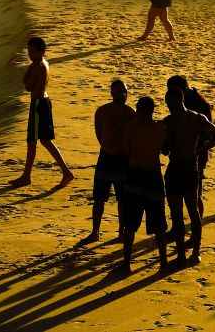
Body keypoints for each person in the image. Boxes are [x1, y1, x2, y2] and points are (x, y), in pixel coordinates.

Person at [162, 88, 215, 265]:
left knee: (180, 214)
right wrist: (199, 149)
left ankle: (186, 253)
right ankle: (193, 253)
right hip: (189, 167)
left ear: (176, 101)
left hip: (178, 168)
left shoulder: (169, 121)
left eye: (169, 103)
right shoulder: (196, 118)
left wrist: (198, 149)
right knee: (191, 212)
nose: (168, 106)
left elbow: (164, 149)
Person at [10, 37, 74, 188]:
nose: (30, 54)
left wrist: (28, 74)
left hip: (39, 104)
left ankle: (29, 176)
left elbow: (28, 86)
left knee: (34, 141)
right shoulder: (41, 63)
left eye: (32, 51)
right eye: (29, 51)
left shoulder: (38, 66)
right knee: (41, 141)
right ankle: (63, 172)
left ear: (41, 51)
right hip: (42, 102)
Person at [120, 96, 168, 273]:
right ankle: (163, 262)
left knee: (130, 223)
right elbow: (165, 149)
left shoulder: (131, 127)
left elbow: (126, 150)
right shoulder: (160, 128)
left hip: (135, 175)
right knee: (158, 224)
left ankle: (126, 263)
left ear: (140, 110)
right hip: (153, 176)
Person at [84, 80, 135, 243]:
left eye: (124, 92)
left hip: (122, 159)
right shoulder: (102, 111)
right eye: (119, 92)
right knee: (99, 198)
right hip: (106, 157)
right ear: (112, 93)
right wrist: (109, 147)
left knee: (123, 199)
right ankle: (95, 231)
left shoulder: (130, 112)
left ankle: (121, 231)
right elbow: (99, 133)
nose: (122, 95)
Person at [166, 76, 213, 221]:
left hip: (194, 156)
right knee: (185, 194)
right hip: (184, 155)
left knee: (194, 195)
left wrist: (198, 150)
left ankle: (195, 229)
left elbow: (210, 135)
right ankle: (183, 228)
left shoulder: (197, 105)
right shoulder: (189, 99)